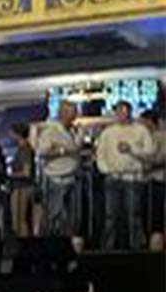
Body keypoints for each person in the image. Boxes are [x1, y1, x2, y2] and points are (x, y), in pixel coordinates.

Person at [97, 101, 155, 252]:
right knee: (111, 216)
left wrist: (132, 150)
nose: (122, 115)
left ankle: (136, 248)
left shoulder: (141, 130)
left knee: (134, 215)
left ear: (130, 112)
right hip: (113, 177)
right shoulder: (108, 133)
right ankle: (109, 249)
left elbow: (149, 154)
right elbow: (100, 155)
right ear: (116, 113)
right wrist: (107, 171)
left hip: (133, 178)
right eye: (119, 112)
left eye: (125, 112)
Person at [32, 100, 83, 240]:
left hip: (72, 177)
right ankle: (49, 245)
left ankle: (66, 245)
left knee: (71, 217)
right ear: (62, 113)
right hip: (56, 179)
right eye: (72, 113)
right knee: (53, 215)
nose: (75, 116)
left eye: (75, 112)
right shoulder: (51, 131)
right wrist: (61, 151)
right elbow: (42, 152)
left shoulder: (74, 130)